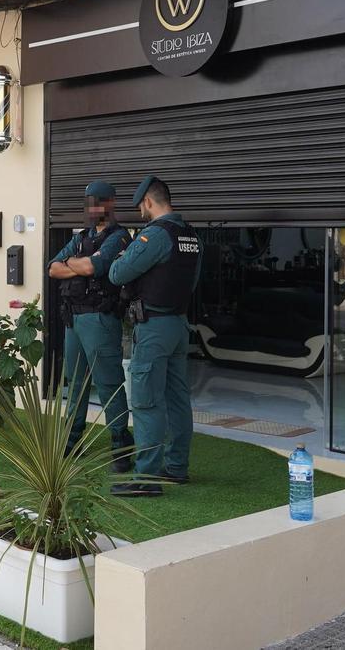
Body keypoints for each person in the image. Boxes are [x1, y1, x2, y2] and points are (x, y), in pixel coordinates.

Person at [108, 176, 203, 497]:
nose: (140, 212)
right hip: (178, 324)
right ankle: (176, 467)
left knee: (147, 400)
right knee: (177, 399)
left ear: (149, 202)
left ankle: (146, 478)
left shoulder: (156, 236)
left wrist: (123, 259)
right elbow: (191, 282)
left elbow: (117, 273)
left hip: (153, 327)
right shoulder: (190, 236)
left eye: (140, 206)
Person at [48, 181, 134, 471]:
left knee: (109, 383)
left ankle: (121, 444)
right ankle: (72, 441)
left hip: (100, 318)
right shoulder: (82, 236)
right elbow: (52, 268)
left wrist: (75, 263)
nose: (91, 208)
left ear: (110, 204)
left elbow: (93, 268)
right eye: (87, 202)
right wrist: (78, 262)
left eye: (96, 202)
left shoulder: (119, 237)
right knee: (75, 384)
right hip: (73, 319)